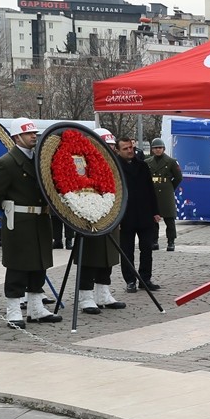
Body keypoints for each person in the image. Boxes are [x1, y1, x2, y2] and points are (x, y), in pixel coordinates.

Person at [0, 117, 61, 328]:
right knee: (18, 266)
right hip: (20, 221)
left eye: (34, 133)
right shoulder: (7, 162)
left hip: (40, 218)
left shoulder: (39, 160)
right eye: (29, 133)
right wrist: (8, 206)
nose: (33, 136)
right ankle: (13, 311)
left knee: (39, 264)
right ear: (17, 137)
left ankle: (36, 309)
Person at [76, 129, 127, 315]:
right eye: (107, 145)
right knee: (90, 258)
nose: (110, 149)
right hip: (89, 216)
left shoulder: (114, 166)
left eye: (112, 146)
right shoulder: (82, 163)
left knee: (108, 256)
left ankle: (103, 293)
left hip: (110, 215)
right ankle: (86, 296)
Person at [117, 137, 161, 293]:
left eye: (131, 147)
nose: (130, 151)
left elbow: (150, 189)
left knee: (147, 248)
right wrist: (116, 218)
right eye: (125, 149)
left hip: (144, 214)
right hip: (125, 215)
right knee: (127, 251)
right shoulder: (115, 166)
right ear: (118, 151)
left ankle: (145, 279)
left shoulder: (142, 165)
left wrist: (155, 211)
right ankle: (130, 280)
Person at [147, 138, 182, 251]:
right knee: (153, 219)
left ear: (164, 149)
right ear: (152, 150)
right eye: (155, 148)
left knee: (169, 218)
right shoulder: (147, 162)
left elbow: (178, 177)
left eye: (160, 148)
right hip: (153, 191)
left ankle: (171, 241)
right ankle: (154, 241)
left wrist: (170, 187)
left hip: (166, 192)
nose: (158, 150)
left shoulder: (171, 161)